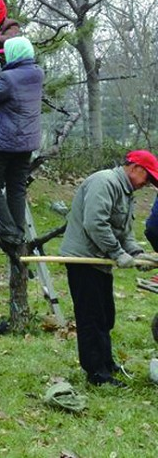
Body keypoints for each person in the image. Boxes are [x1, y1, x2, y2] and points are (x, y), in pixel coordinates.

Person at [60, 149, 158, 387]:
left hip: (99, 263)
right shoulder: (104, 182)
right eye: (147, 177)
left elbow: (123, 231)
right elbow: (95, 223)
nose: (147, 184)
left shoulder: (126, 192)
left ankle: (106, 362)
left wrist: (136, 253)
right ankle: (97, 374)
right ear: (135, 168)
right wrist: (118, 253)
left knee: (106, 316)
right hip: (84, 260)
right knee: (91, 318)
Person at [0, 35, 44, 253]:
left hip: (3, 143)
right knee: (16, 187)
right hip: (25, 143)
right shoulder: (37, 74)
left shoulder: (9, 79)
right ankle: (19, 231)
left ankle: (8, 232)